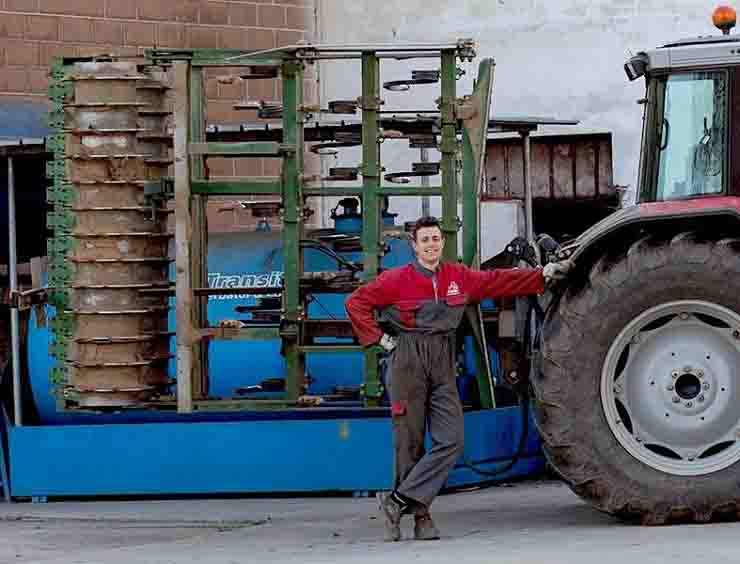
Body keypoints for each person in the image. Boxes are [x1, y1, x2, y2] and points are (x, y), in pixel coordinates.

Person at [345, 216, 571, 541]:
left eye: (435, 239)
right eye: (425, 240)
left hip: (442, 358)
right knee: (408, 442)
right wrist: (380, 340)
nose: (431, 245)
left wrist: (541, 275)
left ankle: (396, 501)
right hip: (408, 358)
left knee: (452, 440)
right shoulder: (396, 280)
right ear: (414, 246)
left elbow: (498, 281)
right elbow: (356, 303)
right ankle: (420, 517)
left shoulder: (458, 277)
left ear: (441, 242)